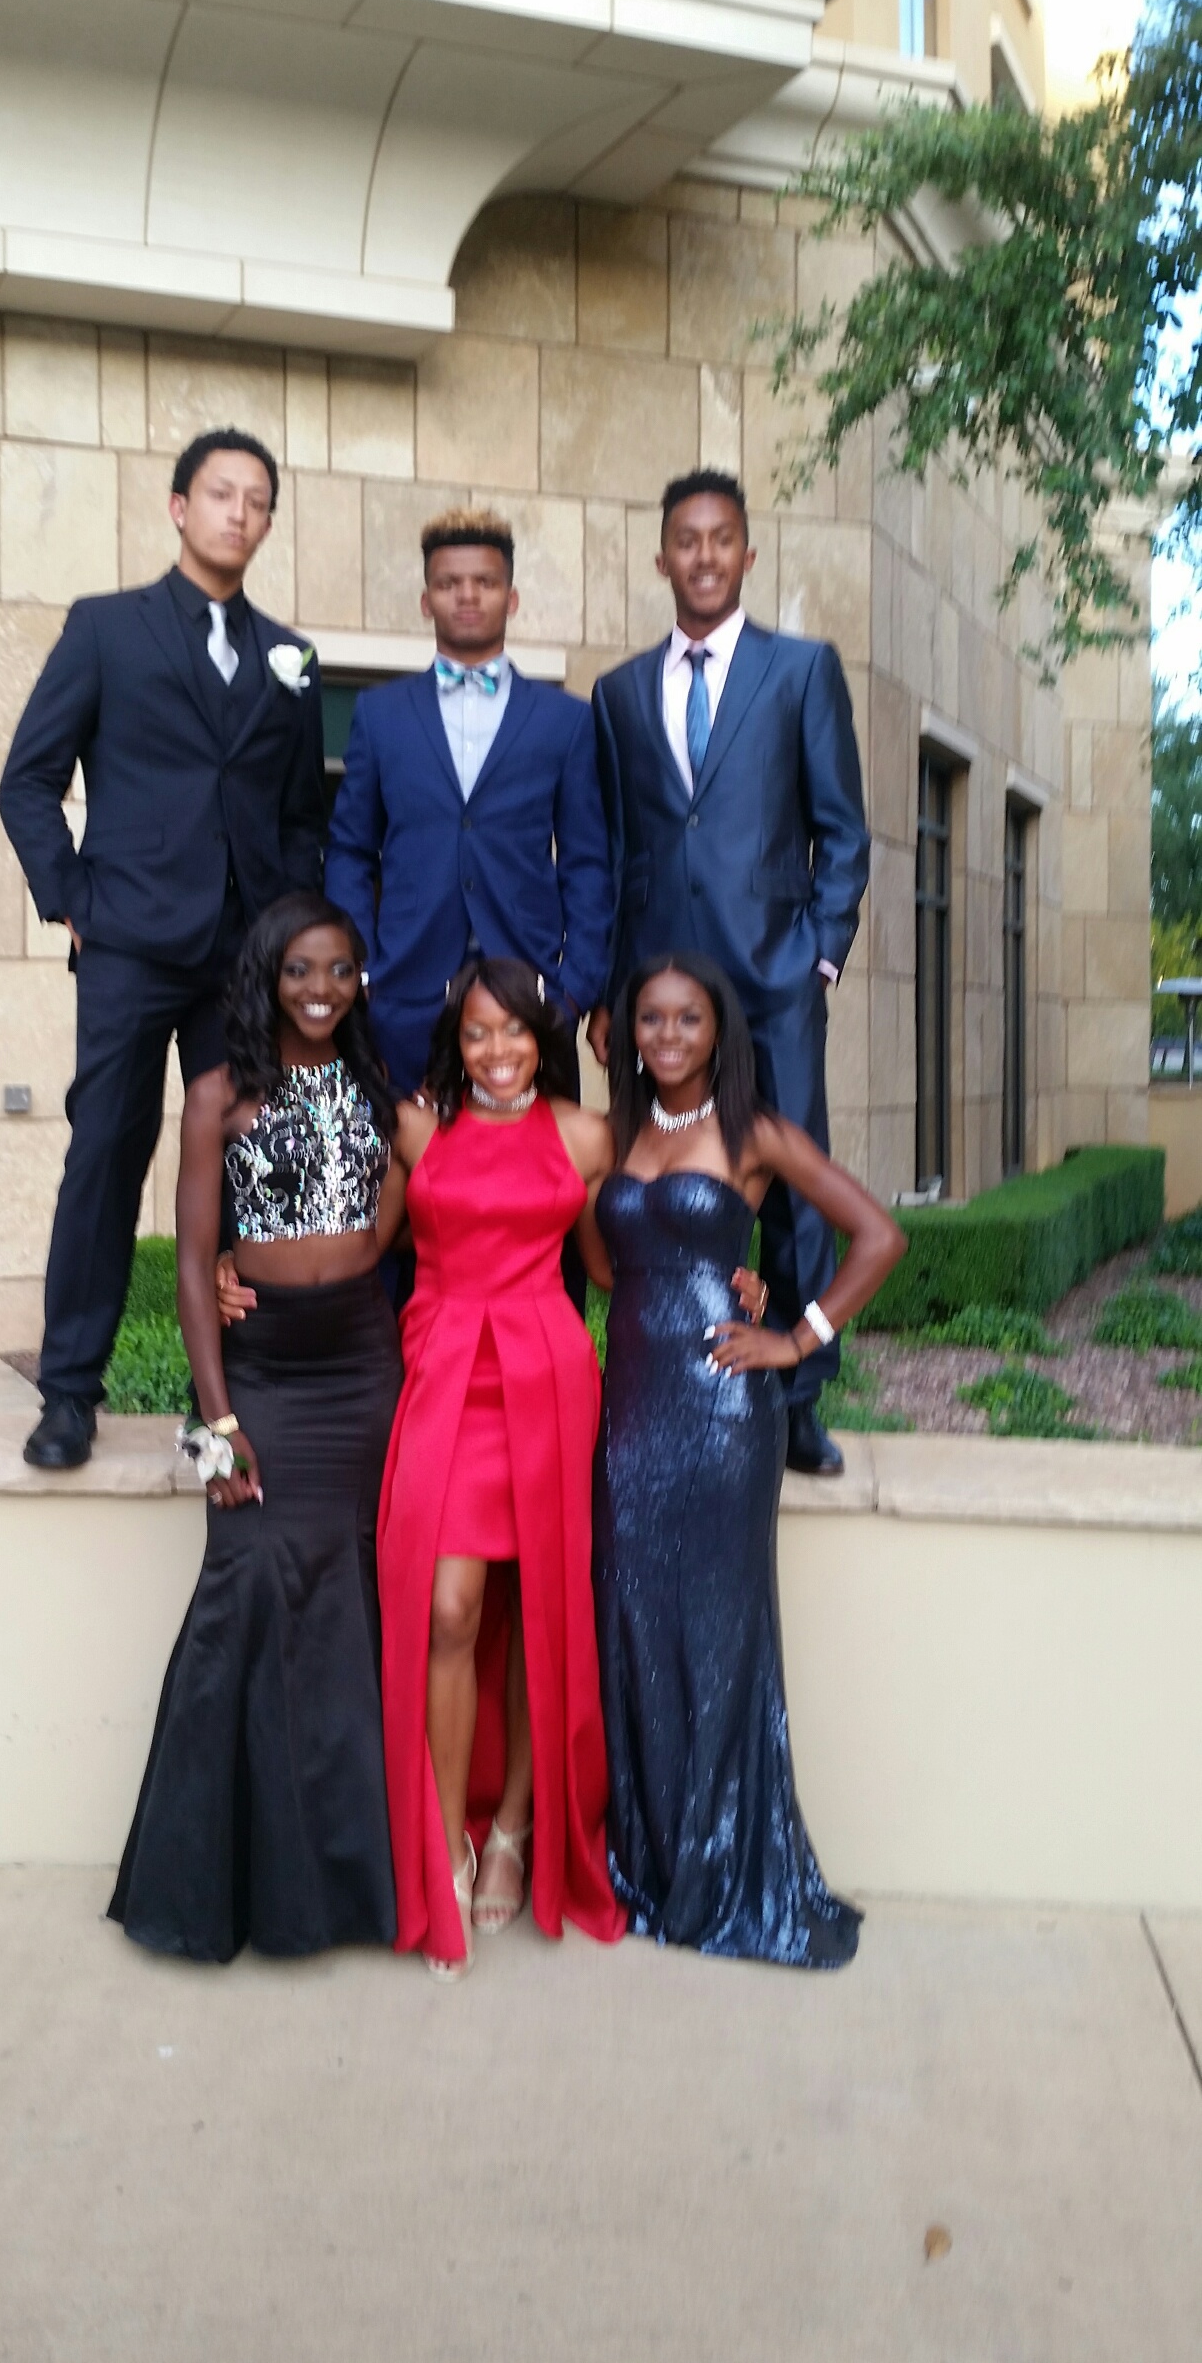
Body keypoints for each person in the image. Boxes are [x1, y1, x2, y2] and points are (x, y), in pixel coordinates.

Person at [0, 428, 326, 1470]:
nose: (240, 512)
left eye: (257, 500)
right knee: (106, 1152)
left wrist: (291, 927)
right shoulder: (106, 629)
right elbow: (27, 780)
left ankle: (222, 1398)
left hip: (246, 957)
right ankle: (68, 1393)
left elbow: (302, 813)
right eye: (222, 493)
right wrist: (73, 899)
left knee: (247, 1167)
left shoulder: (291, 655)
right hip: (132, 944)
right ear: (180, 507)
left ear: (267, 523)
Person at [579, 952, 905, 1968]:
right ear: (627, 1032)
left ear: (718, 1029)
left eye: (688, 1018)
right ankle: (652, 1860)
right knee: (633, 1622)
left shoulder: (753, 1130)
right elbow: (606, 1267)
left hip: (724, 1414)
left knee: (718, 1636)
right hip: (631, 1410)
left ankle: (720, 1870)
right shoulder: (618, 1133)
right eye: (651, 1018)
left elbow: (879, 1235)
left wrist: (796, 1337)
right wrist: (699, 1269)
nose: (668, 1036)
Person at [108, 894, 405, 1963]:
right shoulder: (216, 1095)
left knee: (348, 1611)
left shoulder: (381, 1090)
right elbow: (194, 1266)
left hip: (362, 1367)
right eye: (299, 971)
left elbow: (416, 1210)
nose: (321, 990)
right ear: (267, 979)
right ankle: (203, 1890)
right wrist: (217, 1423)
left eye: (339, 970)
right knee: (240, 1587)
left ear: (359, 980)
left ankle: (344, 1890)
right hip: (258, 1370)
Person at [590, 470, 871, 1478]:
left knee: (793, 1190)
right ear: (661, 556)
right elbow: (617, 850)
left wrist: (817, 958)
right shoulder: (619, 693)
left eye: (721, 539)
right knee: (650, 1183)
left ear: (747, 555)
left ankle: (798, 1397)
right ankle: (654, 1373)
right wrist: (612, 995)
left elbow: (843, 830)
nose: (703, 556)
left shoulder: (801, 670)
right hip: (659, 996)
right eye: (686, 540)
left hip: (773, 976)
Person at [374, 958, 622, 1978]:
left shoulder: (586, 1135)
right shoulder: (417, 1129)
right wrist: (231, 1264)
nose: (496, 1050)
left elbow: (610, 1265)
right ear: (457, 1040)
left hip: (546, 1373)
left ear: (542, 1037)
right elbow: (361, 1246)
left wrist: (733, 1278)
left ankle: (514, 1825)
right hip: (445, 1374)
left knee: (537, 1613)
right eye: (477, 1032)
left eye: (514, 1030)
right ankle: (445, 1842)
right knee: (451, 1610)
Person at [325, 508, 611, 1099]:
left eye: (485, 581)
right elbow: (350, 850)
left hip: (531, 993)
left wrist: (575, 987)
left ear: (512, 597)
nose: (467, 595)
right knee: (405, 1150)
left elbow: (587, 862)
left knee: (534, 1156)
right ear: (426, 600)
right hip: (405, 992)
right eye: (449, 583)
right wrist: (363, 967)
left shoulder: (566, 721)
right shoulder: (380, 715)